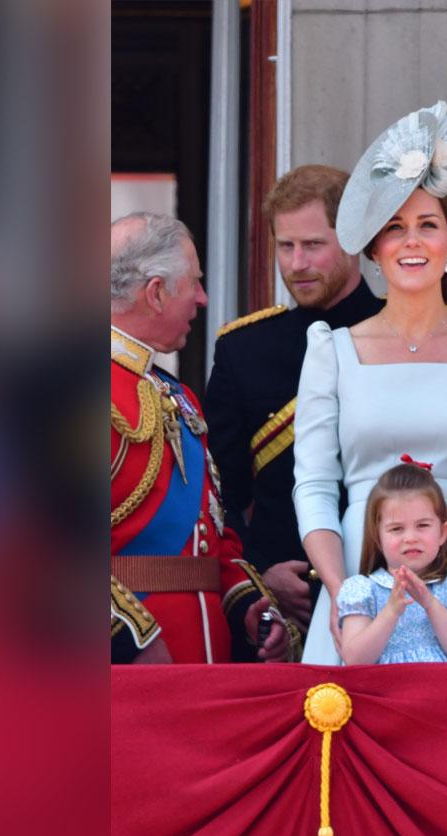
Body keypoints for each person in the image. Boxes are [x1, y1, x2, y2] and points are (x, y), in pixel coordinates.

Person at [293, 101, 447, 665]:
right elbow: (314, 487)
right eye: (395, 228)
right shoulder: (333, 350)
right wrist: (337, 589)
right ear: (375, 249)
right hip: (357, 570)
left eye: (428, 226)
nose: (412, 242)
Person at [110, 212, 296, 663]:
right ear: (155, 293)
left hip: (205, 665)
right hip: (131, 671)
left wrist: (249, 607)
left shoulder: (179, 395)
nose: (202, 298)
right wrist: (130, 638)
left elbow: (208, 536)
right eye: (193, 283)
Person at [204, 166, 382, 633]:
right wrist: (260, 573)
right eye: (286, 246)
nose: (296, 262)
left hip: (393, 585)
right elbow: (218, 496)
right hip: (284, 607)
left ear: (354, 238)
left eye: (313, 245)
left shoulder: (404, 333)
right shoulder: (242, 350)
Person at [337, 460, 447, 664]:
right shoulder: (362, 589)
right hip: (382, 693)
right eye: (396, 529)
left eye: (422, 525)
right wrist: (391, 611)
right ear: (377, 537)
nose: (411, 537)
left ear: (443, 533)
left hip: (440, 692)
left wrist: (430, 603)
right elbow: (354, 659)